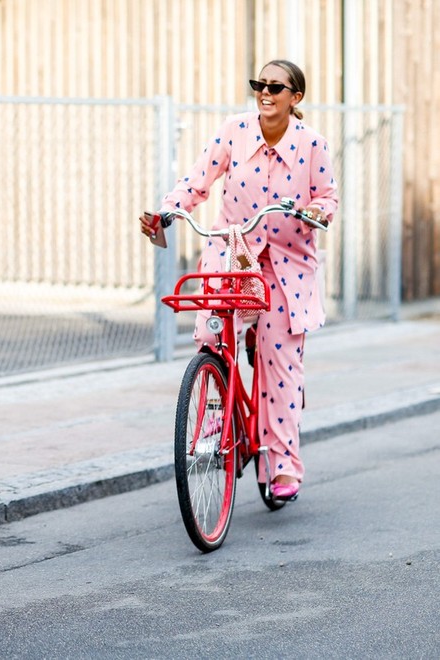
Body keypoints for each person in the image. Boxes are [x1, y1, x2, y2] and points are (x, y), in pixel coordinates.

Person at [140, 59, 338, 502]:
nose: (265, 93)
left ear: (295, 97)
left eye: (275, 87)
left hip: (286, 263)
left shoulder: (313, 145)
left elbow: (327, 195)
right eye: (259, 85)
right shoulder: (234, 131)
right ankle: (214, 415)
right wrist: (169, 209)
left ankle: (283, 463)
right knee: (212, 333)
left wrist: (318, 212)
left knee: (279, 362)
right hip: (232, 251)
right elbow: (197, 179)